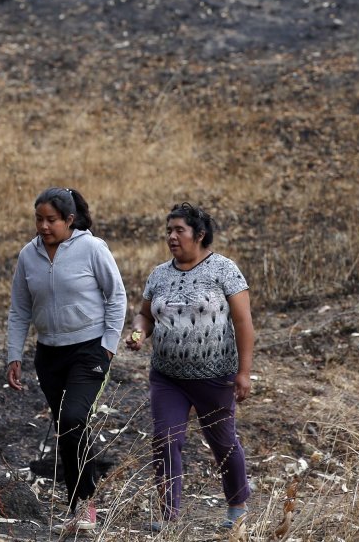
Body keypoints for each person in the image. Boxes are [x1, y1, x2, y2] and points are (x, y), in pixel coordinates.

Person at [125, 202, 255, 531]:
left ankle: (237, 508)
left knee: (223, 442)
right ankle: (169, 517)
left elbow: (243, 322)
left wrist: (243, 372)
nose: (171, 236)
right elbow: (145, 314)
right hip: (168, 377)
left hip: (215, 377)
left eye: (178, 230)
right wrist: (139, 333)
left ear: (198, 235)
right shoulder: (159, 274)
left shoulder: (224, 270)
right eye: (168, 231)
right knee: (165, 439)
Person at [6, 187, 127, 534]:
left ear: (69, 220)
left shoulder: (91, 248)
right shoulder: (28, 255)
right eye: (39, 219)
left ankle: (86, 505)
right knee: (67, 428)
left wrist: (108, 345)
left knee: (74, 417)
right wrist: (14, 354)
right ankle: (77, 509)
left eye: (51, 220)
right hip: (49, 354)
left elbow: (116, 295)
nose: (44, 226)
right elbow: (20, 309)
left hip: (89, 348)